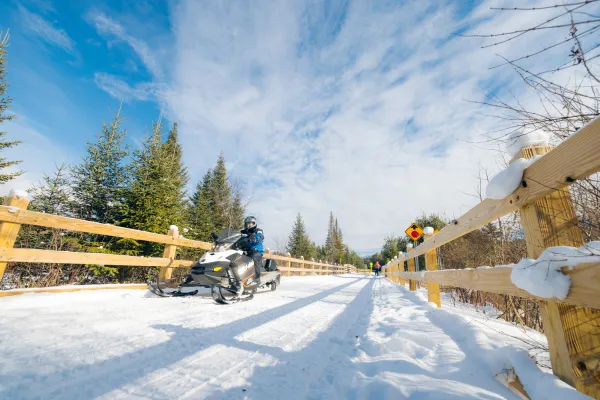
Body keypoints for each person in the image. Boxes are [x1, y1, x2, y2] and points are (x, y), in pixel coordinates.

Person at [241, 216, 264, 284]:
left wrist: (254, 239)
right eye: (247, 223)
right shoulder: (243, 232)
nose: (249, 225)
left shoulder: (258, 231)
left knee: (254, 259)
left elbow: (259, 237)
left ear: (254, 223)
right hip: (246, 250)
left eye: (250, 223)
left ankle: (257, 279)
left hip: (256, 250)